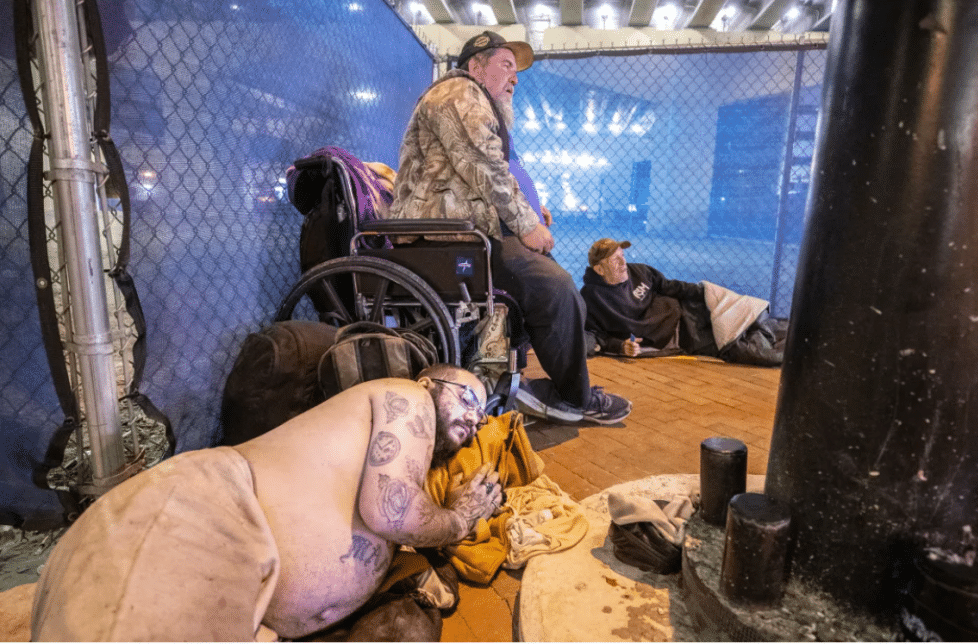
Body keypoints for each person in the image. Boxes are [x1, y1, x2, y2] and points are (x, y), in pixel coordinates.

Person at [30, 365, 504, 641]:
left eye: (482, 415)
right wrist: (459, 518)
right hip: (205, 508)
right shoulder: (407, 397)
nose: (476, 418)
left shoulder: (406, 461)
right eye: (468, 397)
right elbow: (391, 511)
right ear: (428, 381)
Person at [388, 31, 631, 425]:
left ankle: (531, 381)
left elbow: (484, 172)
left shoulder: (479, 103)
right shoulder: (457, 92)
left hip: (466, 234)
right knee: (555, 287)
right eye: (505, 65)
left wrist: (532, 210)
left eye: (516, 71)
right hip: (443, 241)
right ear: (475, 66)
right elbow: (485, 167)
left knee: (551, 281)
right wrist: (526, 223)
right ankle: (574, 399)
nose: (515, 77)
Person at [581, 239, 788, 367]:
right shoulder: (592, 299)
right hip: (682, 337)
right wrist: (620, 346)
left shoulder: (639, 271)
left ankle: (792, 332)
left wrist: (705, 292)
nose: (623, 263)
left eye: (622, 256)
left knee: (746, 314)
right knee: (738, 347)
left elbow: (669, 286)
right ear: (599, 269)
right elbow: (597, 336)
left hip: (688, 310)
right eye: (615, 260)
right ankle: (794, 351)